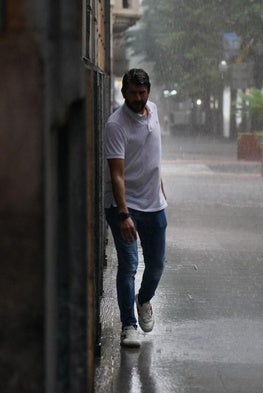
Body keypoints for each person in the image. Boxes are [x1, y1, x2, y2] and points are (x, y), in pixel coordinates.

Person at [104, 68, 168, 347]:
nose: (138, 98)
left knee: (156, 266)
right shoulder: (115, 125)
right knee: (129, 265)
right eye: (133, 94)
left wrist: (161, 186)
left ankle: (143, 300)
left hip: (155, 204)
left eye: (142, 93)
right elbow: (116, 173)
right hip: (124, 207)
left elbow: (152, 156)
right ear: (124, 93)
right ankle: (128, 325)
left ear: (149, 92)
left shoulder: (152, 110)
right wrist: (124, 214)